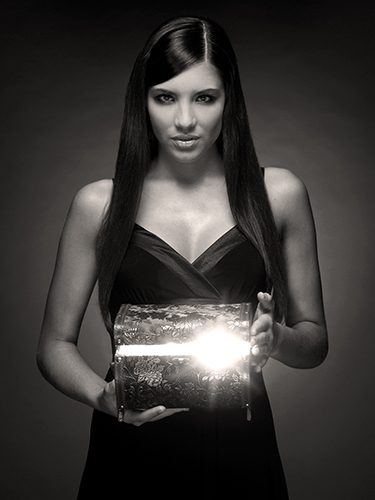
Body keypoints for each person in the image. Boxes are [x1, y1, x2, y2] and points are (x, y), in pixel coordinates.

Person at [37, 16, 328, 498]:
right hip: (130, 442)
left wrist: (275, 338)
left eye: (205, 98)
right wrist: (101, 398)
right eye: (166, 97)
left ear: (229, 99)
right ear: (143, 101)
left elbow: (314, 342)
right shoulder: (99, 205)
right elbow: (53, 345)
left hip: (241, 448)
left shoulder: (278, 194)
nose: (185, 120)